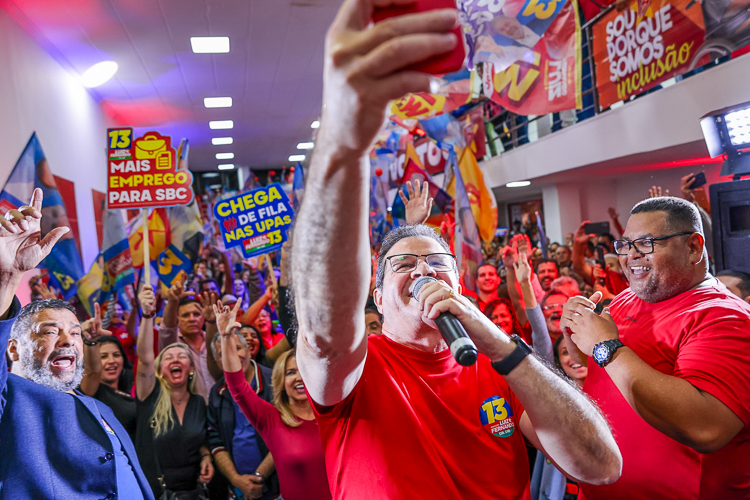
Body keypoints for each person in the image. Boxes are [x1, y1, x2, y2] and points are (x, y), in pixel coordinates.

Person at [290, 2, 622, 497]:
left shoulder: (500, 363)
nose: (422, 269)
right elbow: (324, 328)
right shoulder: (361, 367)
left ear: (458, 284)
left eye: (436, 262)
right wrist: (343, 143)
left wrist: (502, 348)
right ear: (378, 297)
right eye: (403, 264)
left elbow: (599, 466)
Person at [562, 196, 750, 498]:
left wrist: (606, 346)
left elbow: (706, 428)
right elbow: (592, 367)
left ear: (693, 247)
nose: (630, 256)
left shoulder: (725, 317)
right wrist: (574, 334)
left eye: (647, 244)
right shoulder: (625, 300)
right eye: (625, 245)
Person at [0, 188, 153, 499]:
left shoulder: (98, 408)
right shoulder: (10, 402)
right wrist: (7, 277)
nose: (68, 340)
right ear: (13, 348)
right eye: (50, 331)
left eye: (74, 331)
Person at [215, 301, 331, 500]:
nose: (298, 377)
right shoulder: (271, 419)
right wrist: (226, 338)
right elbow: (238, 387)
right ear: (281, 382)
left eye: (303, 370)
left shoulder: (331, 414)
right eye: (291, 372)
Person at [135, 285, 215, 498]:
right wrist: (146, 314)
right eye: (168, 357)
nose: (176, 359)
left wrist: (206, 456)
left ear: (190, 369)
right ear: (160, 369)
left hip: (193, 492)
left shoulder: (199, 402)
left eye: (182, 356)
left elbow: (199, 440)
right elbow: (144, 357)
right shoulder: (149, 395)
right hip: (157, 491)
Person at [207, 330, 277, 500]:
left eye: (237, 348)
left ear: (248, 350)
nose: (232, 355)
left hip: (277, 486)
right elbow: (215, 441)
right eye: (223, 353)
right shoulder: (217, 392)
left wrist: (259, 477)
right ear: (217, 362)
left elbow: (286, 435)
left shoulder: (274, 381)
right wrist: (236, 480)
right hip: (237, 489)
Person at [80, 303, 137, 439]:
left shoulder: (128, 392)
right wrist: (92, 340)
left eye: (116, 355)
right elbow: (93, 371)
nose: (111, 361)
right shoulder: (91, 391)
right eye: (103, 356)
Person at [159, 280, 216, 401]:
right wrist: (173, 302)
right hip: (189, 413)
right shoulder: (173, 345)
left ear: (203, 317)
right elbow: (167, 329)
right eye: (185, 315)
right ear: (177, 319)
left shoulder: (213, 339)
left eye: (196, 314)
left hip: (220, 411)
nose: (192, 319)